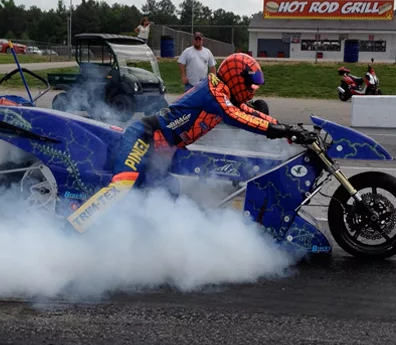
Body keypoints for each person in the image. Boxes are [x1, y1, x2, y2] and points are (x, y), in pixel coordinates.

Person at [67, 53, 314, 233]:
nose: (252, 91)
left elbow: (251, 113)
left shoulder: (226, 96)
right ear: (236, 78)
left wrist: (288, 130)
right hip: (146, 135)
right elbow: (237, 117)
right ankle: (73, 229)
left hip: (164, 149)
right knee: (123, 185)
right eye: (250, 85)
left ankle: (132, 239)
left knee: (167, 195)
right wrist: (278, 130)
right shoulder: (214, 91)